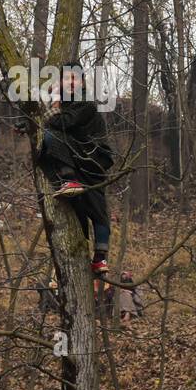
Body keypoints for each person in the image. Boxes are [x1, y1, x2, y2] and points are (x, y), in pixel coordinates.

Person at [27, 65, 115, 274]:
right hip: (79, 157)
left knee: (98, 209)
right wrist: (26, 125)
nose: (71, 82)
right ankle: (69, 181)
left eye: (75, 79)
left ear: (82, 82)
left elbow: (61, 122)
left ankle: (100, 258)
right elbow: (46, 119)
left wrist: (55, 101)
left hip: (91, 160)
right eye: (67, 79)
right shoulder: (69, 104)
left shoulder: (85, 103)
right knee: (79, 210)